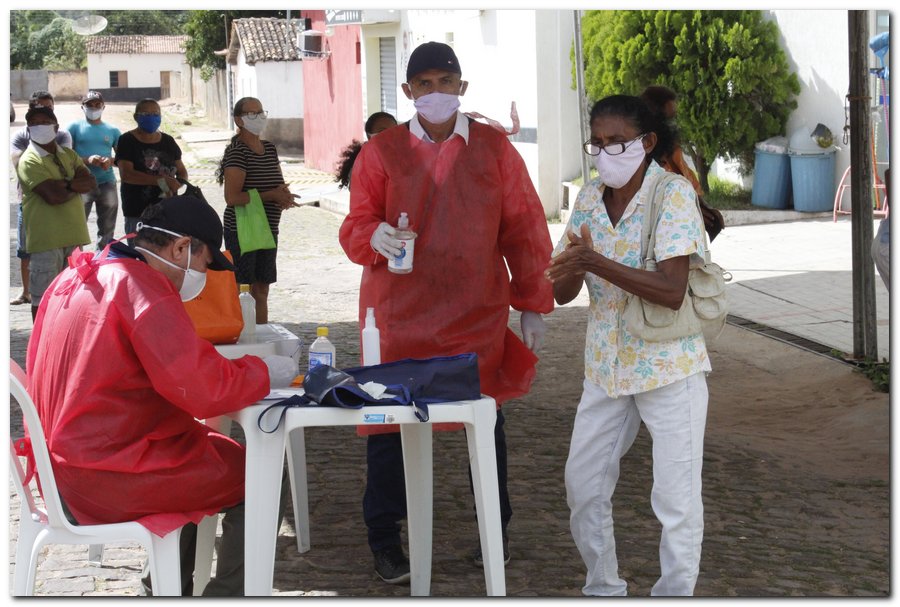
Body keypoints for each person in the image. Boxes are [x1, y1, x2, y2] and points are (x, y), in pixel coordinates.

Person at [339, 41, 554, 584]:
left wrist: (533, 302)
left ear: (463, 87)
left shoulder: (494, 149)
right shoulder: (382, 151)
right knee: (387, 424)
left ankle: (494, 530)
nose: (436, 92)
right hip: (398, 316)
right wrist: (374, 234)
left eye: (446, 81)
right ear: (408, 90)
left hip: (475, 312)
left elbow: (524, 226)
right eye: (424, 84)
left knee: (485, 422)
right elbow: (355, 223)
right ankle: (384, 537)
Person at [25, 194, 297, 596]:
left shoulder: (80, 273)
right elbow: (201, 389)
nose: (202, 277)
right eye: (205, 264)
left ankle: (165, 588)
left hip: (63, 467)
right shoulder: (141, 288)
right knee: (264, 472)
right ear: (182, 248)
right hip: (108, 474)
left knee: (203, 452)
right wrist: (262, 372)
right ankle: (228, 596)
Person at [545, 94, 710, 596]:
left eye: (617, 142)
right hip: (606, 367)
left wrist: (597, 263)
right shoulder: (588, 199)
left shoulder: (672, 194)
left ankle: (675, 595)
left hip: (669, 367)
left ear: (647, 141)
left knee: (676, 499)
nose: (605, 153)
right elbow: (560, 292)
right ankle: (603, 588)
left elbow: (672, 290)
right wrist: (573, 267)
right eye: (597, 143)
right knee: (583, 485)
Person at [216, 96, 299, 325]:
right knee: (243, 288)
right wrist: (271, 196)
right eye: (252, 113)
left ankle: (261, 334)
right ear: (238, 120)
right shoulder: (237, 152)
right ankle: (242, 335)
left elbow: (277, 183)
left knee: (262, 288)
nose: (259, 117)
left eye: (261, 112)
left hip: (268, 228)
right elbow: (232, 197)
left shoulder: (269, 148)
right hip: (243, 228)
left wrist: (284, 196)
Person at [16, 105, 94, 322]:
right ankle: (41, 340)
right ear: (28, 129)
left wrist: (64, 185)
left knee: (72, 295)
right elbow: (53, 196)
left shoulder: (68, 154)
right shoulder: (29, 160)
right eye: (34, 123)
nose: (39, 126)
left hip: (74, 237)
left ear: (56, 127)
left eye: (44, 122)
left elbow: (89, 181)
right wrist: (73, 184)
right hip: (46, 240)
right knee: (42, 299)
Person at [10, 90, 72, 306]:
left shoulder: (63, 136)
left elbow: (69, 171)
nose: (43, 114)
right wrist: (53, 178)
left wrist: (51, 179)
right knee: (26, 250)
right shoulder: (20, 136)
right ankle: (26, 292)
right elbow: (20, 165)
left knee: (63, 251)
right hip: (29, 204)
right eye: (38, 109)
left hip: (63, 204)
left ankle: (60, 297)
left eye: (48, 109)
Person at [640, 85, 725, 241]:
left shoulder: (670, 148)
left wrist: (702, 206)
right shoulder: (636, 152)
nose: (673, 126)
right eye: (668, 120)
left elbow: (686, 179)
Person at [115, 98, 188, 244]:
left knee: (166, 250)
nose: (151, 118)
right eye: (146, 114)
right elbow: (127, 175)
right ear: (136, 117)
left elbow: (182, 171)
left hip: (167, 210)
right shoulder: (127, 141)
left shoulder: (168, 141)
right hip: (138, 212)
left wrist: (177, 184)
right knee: (139, 252)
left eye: (155, 114)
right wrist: (162, 181)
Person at [66, 90, 121, 249]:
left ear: (103, 107)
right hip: (82, 183)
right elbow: (65, 157)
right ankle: (75, 259)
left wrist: (109, 161)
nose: (93, 108)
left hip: (107, 182)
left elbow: (122, 159)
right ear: (82, 107)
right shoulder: (74, 128)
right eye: (89, 105)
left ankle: (102, 257)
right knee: (77, 225)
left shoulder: (113, 130)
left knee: (107, 227)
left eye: (97, 104)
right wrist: (87, 160)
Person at [334, 111, 398, 189]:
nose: (390, 136)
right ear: (369, 136)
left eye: (394, 131)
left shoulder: (402, 159)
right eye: (383, 132)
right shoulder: (361, 166)